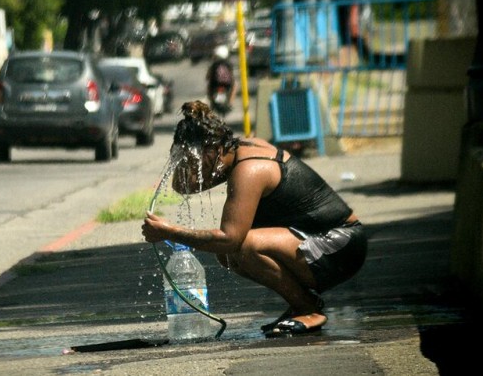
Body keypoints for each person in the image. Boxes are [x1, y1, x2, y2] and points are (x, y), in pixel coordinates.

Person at [142, 100, 367, 338]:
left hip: (343, 244)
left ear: (212, 150)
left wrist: (168, 231)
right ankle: (303, 302)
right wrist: (180, 157)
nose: (190, 165)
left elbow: (230, 239)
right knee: (228, 253)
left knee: (241, 246)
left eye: (193, 160)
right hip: (319, 239)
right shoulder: (235, 151)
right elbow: (183, 186)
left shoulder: (250, 169)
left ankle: (307, 309)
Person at [205, 45, 236, 112]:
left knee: (209, 86)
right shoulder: (228, 64)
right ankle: (230, 103)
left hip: (215, 83)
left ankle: (211, 102)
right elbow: (232, 75)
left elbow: (208, 76)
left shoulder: (213, 64)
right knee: (234, 87)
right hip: (227, 84)